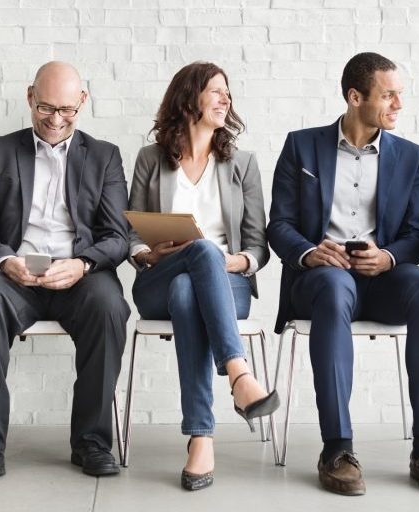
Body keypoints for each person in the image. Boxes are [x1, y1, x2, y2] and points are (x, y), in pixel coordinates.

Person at [267, 52, 419, 496]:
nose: (398, 105)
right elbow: (279, 224)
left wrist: (388, 257)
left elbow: (417, 234)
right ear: (355, 97)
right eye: (388, 95)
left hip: (383, 278)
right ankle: (337, 448)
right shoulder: (302, 146)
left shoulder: (412, 157)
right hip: (322, 278)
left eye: (399, 95)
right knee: (335, 288)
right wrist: (311, 252)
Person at [0, 61, 130, 478]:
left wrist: (82, 263)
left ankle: (91, 443)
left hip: (80, 274)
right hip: (14, 273)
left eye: (67, 110)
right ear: (30, 96)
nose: (56, 120)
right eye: (46, 108)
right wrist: (6, 261)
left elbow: (118, 235)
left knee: (111, 307)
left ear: (83, 102)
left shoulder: (104, 156)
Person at [127, 62, 277, 491]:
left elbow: (256, 246)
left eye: (227, 92)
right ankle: (238, 375)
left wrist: (236, 261)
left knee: (191, 284)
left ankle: (201, 436)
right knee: (192, 263)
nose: (225, 98)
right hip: (159, 275)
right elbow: (130, 233)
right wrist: (147, 252)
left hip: (226, 284)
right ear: (188, 97)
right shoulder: (150, 159)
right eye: (214, 90)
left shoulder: (242, 164)